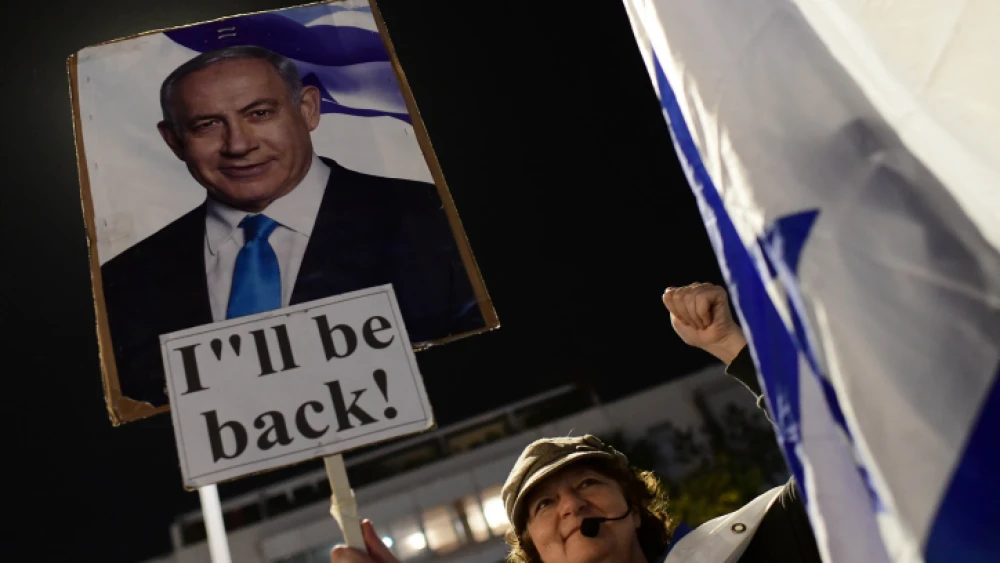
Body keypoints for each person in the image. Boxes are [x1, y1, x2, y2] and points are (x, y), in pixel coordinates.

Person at [100, 45, 484, 406]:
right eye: (207, 125)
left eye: (260, 114)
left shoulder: (435, 219)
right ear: (174, 141)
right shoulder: (123, 284)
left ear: (308, 110)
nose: (238, 144)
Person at [329, 283, 822, 562]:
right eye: (543, 503)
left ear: (634, 510)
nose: (571, 504)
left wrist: (733, 349)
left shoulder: (746, 550)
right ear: (533, 551)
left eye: (588, 481)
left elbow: (843, 462)